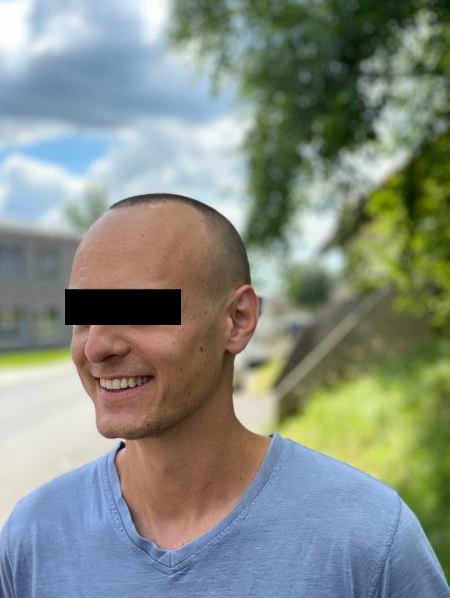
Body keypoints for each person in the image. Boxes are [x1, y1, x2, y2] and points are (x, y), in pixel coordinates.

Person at [1, 193, 449, 597]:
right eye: (82, 315)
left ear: (237, 320)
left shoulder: (369, 542)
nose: (96, 347)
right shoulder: (31, 541)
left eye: (138, 309)